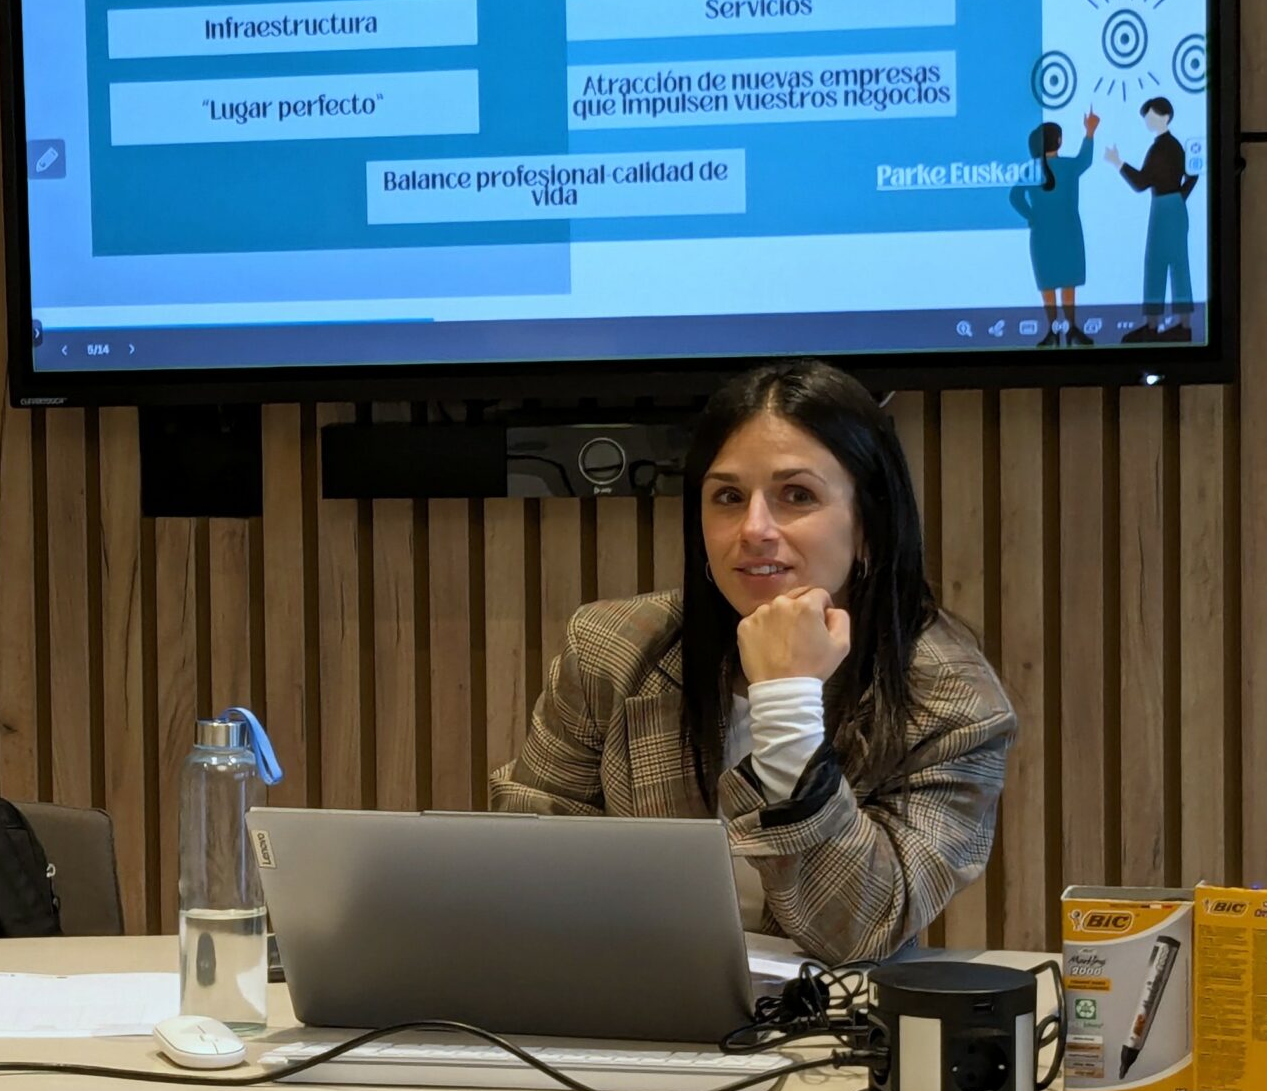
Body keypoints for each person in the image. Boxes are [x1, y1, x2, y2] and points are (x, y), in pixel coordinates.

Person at [492, 360, 1016, 964]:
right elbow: (522, 866)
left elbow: (860, 927)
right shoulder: (612, 649)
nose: (754, 528)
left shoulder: (954, 702)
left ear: (868, 527)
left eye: (797, 495)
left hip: (826, 1012)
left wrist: (787, 701)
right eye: (728, 497)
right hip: (633, 991)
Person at [1105, 94, 1198, 344]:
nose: (1148, 121)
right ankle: (1181, 325)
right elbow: (1192, 174)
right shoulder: (1173, 145)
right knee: (1178, 263)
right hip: (1172, 206)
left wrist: (1118, 162)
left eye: (1151, 116)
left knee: (1157, 263)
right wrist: (1180, 197)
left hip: (1164, 208)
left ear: (1165, 117)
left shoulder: (1162, 148)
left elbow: (1141, 182)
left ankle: (1155, 326)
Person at [1009, 110, 1098, 345]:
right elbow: (1085, 159)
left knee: (1048, 284)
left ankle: (1053, 331)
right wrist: (1089, 132)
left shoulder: (1031, 170)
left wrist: (1031, 216)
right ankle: (1071, 328)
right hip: (1068, 232)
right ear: (1058, 141)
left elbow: (1015, 196)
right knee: (1068, 283)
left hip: (1043, 234)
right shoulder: (1069, 167)